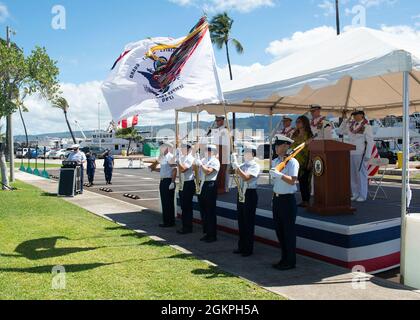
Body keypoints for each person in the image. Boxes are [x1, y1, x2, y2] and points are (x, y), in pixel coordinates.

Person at [270, 135, 300, 271]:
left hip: (287, 200)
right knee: (280, 232)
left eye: (278, 145)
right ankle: (284, 258)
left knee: (288, 232)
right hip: (277, 199)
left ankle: (290, 261)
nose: (276, 148)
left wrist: (279, 175)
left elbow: (292, 180)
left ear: (286, 146)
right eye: (275, 145)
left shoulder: (292, 162)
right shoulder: (276, 161)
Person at [338, 110, 374, 202]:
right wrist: (345, 120)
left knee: (361, 174)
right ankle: (355, 193)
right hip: (351, 152)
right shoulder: (351, 125)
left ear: (361, 115)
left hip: (361, 153)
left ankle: (362, 194)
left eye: (356, 115)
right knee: (353, 175)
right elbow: (340, 131)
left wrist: (367, 155)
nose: (354, 117)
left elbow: (370, 141)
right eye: (353, 115)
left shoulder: (367, 126)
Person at [231, 144, 261, 257]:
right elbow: (234, 172)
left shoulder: (255, 166)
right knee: (241, 221)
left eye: (247, 152)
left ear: (253, 154)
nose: (245, 154)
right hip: (241, 193)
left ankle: (248, 249)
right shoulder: (243, 165)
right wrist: (233, 160)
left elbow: (247, 178)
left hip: (250, 194)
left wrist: (237, 168)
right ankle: (241, 246)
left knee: (248, 222)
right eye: (244, 152)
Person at [195, 144, 220, 243]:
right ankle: (207, 232)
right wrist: (196, 164)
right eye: (205, 150)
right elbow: (197, 172)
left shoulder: (215, 161)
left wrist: (200, 164)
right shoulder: (204, 160)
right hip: (202, 184)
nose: (206, 151)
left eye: (208, 150)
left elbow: (208, 172)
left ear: (212, 151)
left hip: (210, 184)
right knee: (203, 211)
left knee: (210, 211)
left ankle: (212, 235)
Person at [151, 142, 177, 228]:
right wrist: (154, 169)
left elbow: (174, 170)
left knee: (168, 203)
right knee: (165, 203)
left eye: (162, 147)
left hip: (168, 181)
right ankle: (167, 221)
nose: (160, 149)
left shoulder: (170, 157)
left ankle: (169, 222)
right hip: (163, 181)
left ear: (167, 148)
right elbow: (163, 170)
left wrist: (172, 182)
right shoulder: (163, 158)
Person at [291, 116, 314, 208]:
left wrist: (310, 161)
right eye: (296, 122)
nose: (297, 123)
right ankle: (303, 200)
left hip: (305, 160)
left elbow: (311, 149)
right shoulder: (295, 134)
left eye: (299, 122)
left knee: (305, 181)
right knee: (300, 181)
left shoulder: (309, 135)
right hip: (295, 160)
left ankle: (306, 200)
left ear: (304, 123)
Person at [176, 143, 196, 235]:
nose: (182, 150)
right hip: (182, 183)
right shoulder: (182, 158)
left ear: (189, 150)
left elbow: (184, 169)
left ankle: (188, 227)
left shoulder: (190, 158)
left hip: (188, 183)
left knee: (187, 207)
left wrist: (178, 161)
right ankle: (184, 226)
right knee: (183, 206)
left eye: (184, 149)